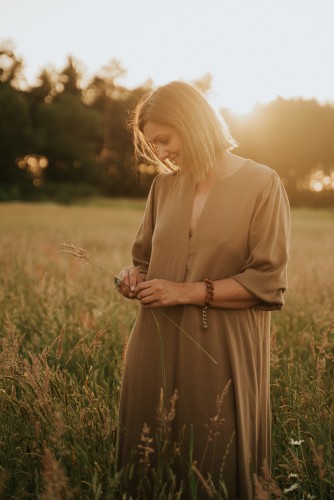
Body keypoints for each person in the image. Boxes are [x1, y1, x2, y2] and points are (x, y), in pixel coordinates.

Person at [116, 81, 290, 499]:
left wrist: (184, 292)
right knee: (148, 463)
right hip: (153, 343)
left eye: (164, 139)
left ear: (192, 124)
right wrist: (132, 278)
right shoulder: (164, 187)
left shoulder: (262, 184)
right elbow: (143, 258)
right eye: (150, 143)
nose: (159, 153)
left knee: (216, 462)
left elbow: (266, 282)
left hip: (222, 349)